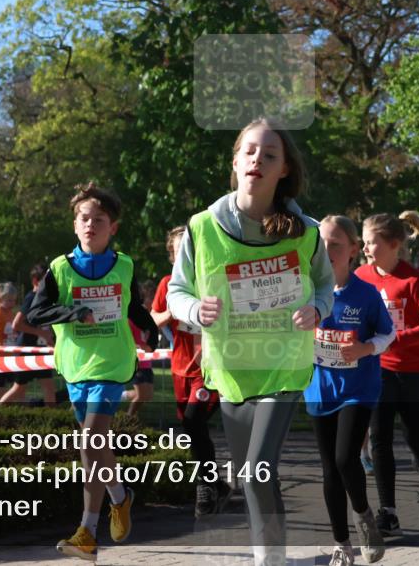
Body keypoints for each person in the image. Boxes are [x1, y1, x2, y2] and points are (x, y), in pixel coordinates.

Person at [167, 119, 334, 566]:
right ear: (237, 161)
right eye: (250, 151)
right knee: (246, 476)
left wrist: (317, 309)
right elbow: (176, 291)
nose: (258, 159)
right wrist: (192, 311)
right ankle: (291, 560)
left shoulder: (305, 229)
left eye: (270, 154)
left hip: (283, 363)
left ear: (283, 170)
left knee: (258, 470)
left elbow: (324, 286)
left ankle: (270, 562)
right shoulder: (202, 227)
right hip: (232, 366)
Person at [26, 182, 155, 562]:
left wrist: (149, 327)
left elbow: (131, 306)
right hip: (76, 366)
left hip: (112, 365)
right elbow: (35, 313)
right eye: (84, 218)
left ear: (112, 227)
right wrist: (72, 313)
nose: (90, 225)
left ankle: (87, 531)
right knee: (96, 451)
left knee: (90, 442)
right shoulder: (60, 269)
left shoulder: (125, 265)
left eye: (99, 220)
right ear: (75, 224)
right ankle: (120, 495)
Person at [306, 215, 393, 566]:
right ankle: (341, 544)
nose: (327, 251)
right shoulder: (306, 290)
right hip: (319, 389)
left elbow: (388, 334)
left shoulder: (367, 294)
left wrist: (364, 349)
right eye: (322, 243)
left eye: (336, 244)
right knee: (329, 469)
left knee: (345, 458)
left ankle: (365, 517)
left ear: (353, 250)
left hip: (358, 387)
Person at [355, 211, 419, 537]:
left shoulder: (413, 281)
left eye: (371, 243)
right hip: (377, 369)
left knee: (415, 435)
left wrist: (395, 337)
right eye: (364, 243)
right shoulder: (362, 276)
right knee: (379, 438)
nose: (365, 249)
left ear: (394, 245)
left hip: (412, 369)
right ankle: (388, 511)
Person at [150, 225, 232, 518]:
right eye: (179, 251)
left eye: (191, 250)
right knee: (191, 427)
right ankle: (217, 485)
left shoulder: (213, 281)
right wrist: (172, 312)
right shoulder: (167, 284)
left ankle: (206, 486)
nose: (185, 256)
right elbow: (153, 320)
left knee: (195, 422)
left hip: (208, 368)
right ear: (172, 256)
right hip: (179, 368)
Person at [7, 264, 59, 405]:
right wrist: (40, 332)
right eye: (46, 281)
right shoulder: (31, 298)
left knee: (49, 387)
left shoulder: (46, 299)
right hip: (26, 350)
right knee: (18, 389)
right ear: (36, 281)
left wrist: (48, 338)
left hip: (40, 351)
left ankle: (53, 423)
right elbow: (16, 324)